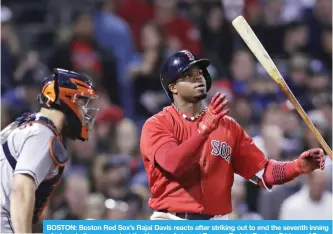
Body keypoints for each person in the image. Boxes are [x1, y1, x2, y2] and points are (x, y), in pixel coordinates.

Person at [140, 50, 326, 220]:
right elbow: (173, 165)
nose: (198, 78)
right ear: (173, 87)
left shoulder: (227, 126)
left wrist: (296, 167)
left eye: (200, 73)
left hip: (218, 222)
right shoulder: (157, 125)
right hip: (172, 221)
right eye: (188, 75)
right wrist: (204, 129)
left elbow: (263, 173)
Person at [0, 68, 99, 233]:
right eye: (83, 103)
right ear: (68, 100)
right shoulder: (42, 133)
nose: (85, 112)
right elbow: (22, 189)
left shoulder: (24, 125)